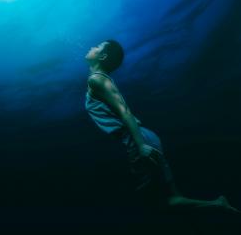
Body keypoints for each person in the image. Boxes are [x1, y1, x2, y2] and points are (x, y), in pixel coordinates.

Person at [84, 39, 241, 215]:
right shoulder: (99, 80)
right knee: (169, 199)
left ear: (103, 56)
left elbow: (125, 112)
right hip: (143, 138)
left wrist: (141, 146)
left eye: (97, 46)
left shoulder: (97, 80)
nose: (92, 47)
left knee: (162, 203)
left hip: (139, 141)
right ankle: (218, 205)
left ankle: (218, 207)